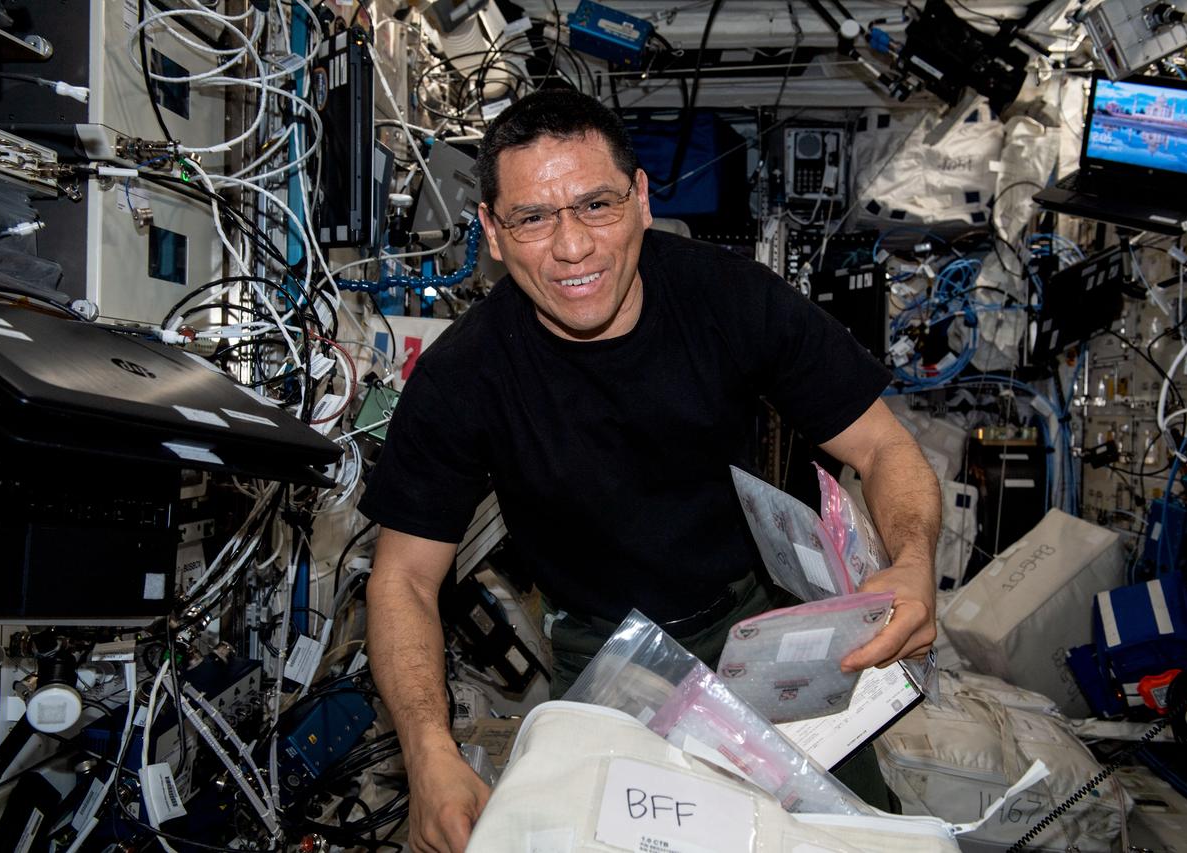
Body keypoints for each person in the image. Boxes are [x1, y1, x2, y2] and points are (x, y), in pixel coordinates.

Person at [359, 88, 940, 853]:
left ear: (638, 198)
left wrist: (914, 562)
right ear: (493, 234)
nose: (572, 247)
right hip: (600, 649)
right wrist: (428, 749)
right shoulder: (463, 377)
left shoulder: (729, 299)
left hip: (752, 619)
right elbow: (401, 576)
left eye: (595, 204)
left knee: (848, 833)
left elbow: (883, 446)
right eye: (533, 217)